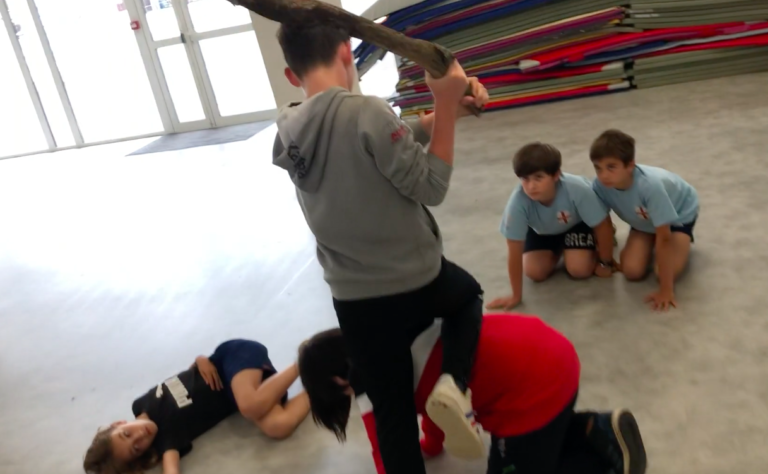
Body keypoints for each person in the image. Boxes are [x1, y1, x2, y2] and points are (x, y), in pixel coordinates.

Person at [272, 20, 491, 474]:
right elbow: (431, 186)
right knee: (468, 296)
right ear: (347, 53)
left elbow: (369, 144)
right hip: (416, 279)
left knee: (391, 417)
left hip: (354, 301)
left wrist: (435, 121)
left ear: (292, 75)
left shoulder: (289, 131)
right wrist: (444, 103)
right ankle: (452, 384)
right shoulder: (369, 111)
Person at [298, 314, 648, 474]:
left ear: (340, 380)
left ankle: (601, 458)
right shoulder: (392, 337)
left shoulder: (374, 387)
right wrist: (430, 446)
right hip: (551, 352)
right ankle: (587, 427)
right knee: (534, 444)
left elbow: (386, 455)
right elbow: (437, 405)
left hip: (533, 392)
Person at [83, 340, 310, 474]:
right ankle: (321, 382)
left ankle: (308, 357)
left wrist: (200, 359)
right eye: (136, 448)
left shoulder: (140, 403)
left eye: (126, 434)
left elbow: (183, 378)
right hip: (247, 390)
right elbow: (171, 470)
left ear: (118, 423)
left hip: (231, 360)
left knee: (249, 406)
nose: (140, 436)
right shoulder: (166, 439)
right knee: (276, 426)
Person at [487, 143, 616, 311]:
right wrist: (516, 295)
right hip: (541, 231)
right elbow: (514, 248)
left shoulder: (577, 189)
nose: (531, 186)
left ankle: (584, 246)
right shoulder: (518, 202)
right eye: (525, 179)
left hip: (576, 224)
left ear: (556, 175)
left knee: (579, 270)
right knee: (534, 272)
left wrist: (605, 262)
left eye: (538, 177)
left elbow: (602, 224)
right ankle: (562, 250)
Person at [590, 129, 699, 311]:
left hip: (679, 214)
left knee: (662, 273)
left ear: (630, 165)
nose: (603, 175)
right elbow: (603, 222)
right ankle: (649, 233)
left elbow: (664, 238)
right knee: (631, 271)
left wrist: (666, 290)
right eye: (598, 168)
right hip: (643, 220)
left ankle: (682, 238)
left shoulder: (650, 186)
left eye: (611, 167)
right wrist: (606, 260)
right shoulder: (599, 186)